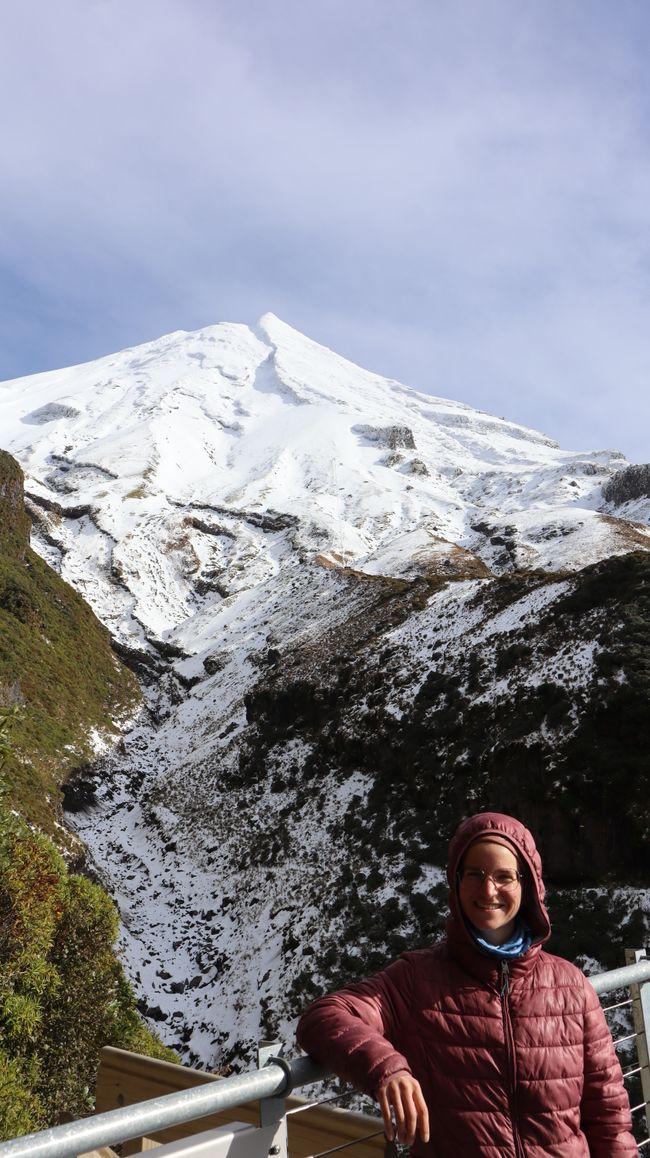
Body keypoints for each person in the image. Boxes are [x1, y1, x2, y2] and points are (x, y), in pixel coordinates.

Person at [296, 811, 636, 1156]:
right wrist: (387, 1069)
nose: (489, 890)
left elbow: (608, 1116)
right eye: (475, 874)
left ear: (527, 884)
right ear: (456, 881)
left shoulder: (571, 987)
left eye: (504, 876)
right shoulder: (416, 979)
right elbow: (324, 1017)